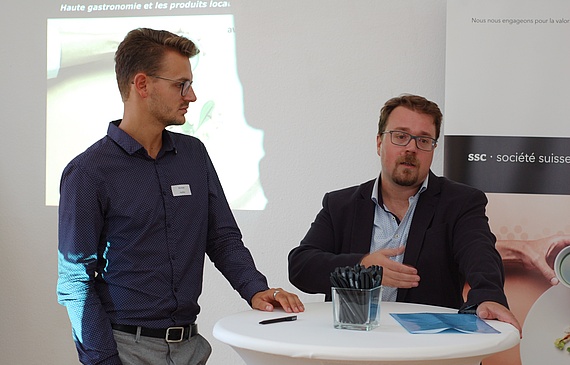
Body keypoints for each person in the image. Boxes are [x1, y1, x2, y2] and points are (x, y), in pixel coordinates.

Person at [57, 28, 304, 365]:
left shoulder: (193, 154)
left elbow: (222, 237)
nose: (192, 96)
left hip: (191, 348)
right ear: (142, 85)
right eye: (180, 85)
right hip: (126, 351)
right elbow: (75, 280)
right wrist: (102, 359)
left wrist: (254, 288)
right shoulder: (88, 172)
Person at [288, 94, 521, 335]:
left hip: (427, 348)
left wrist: (489, 296)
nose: (411, 147)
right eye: (400, 136)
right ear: (379, 143)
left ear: (433, 149)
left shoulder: (461, 202)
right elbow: (301, 266)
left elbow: (480, 253)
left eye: (423, 140)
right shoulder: (341, 205)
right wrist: (362, 265)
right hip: (352, 343)